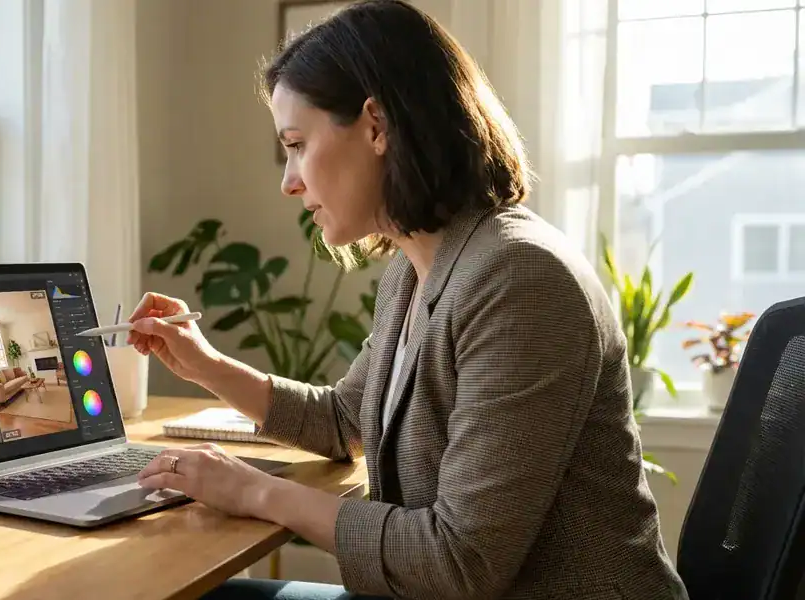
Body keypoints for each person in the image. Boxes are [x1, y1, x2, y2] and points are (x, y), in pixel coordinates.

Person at [127, 1, 690, 599]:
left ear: (377, 125)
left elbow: (458, 562)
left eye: (296, 144)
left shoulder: (518, 278)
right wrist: (204, 364)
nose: (288, 181)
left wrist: (256, 491)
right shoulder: (416, 269)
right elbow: (346, 421)